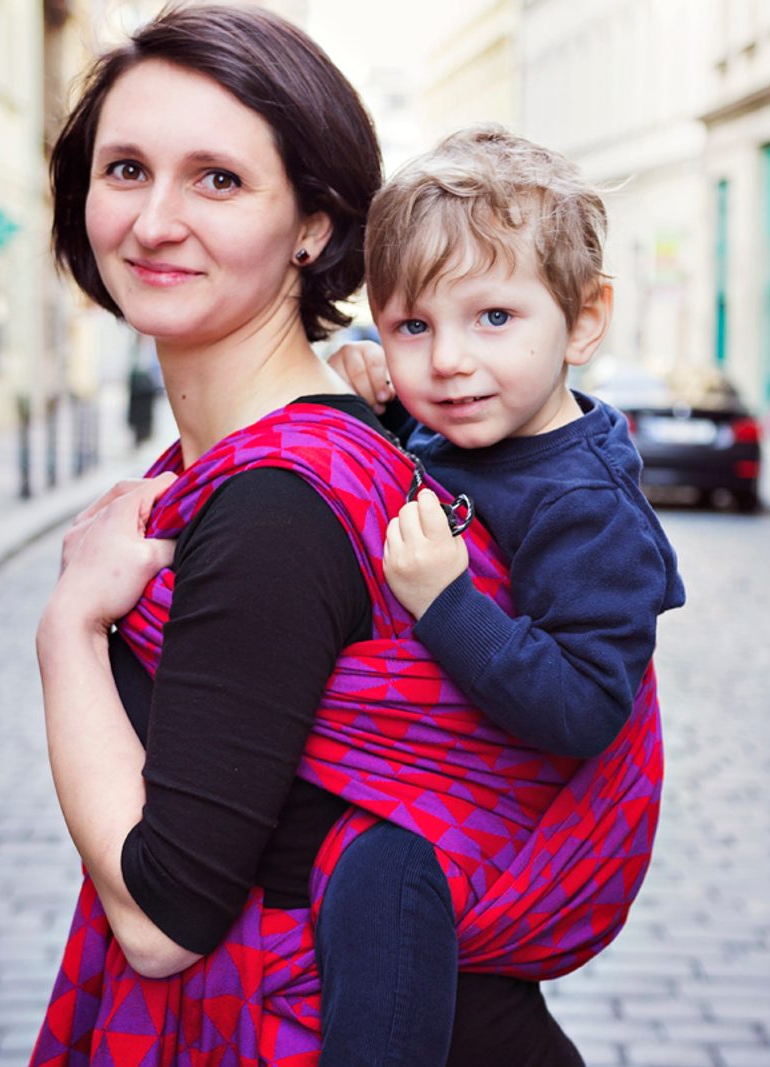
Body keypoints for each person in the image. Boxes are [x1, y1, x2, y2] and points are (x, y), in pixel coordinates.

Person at [28, 9, 661, 1067]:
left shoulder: (276, 505)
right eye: (126, 169)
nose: (155, 220)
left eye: (218, 179)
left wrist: (67, 629)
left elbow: (162, 919)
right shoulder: (358, 433)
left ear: (315, 225)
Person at [322, 125, 685, 1064]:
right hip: (438, 799)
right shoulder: (455, 421)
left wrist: (448, 602)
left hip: (516, 838)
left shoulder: (585, 505)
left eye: (493, 317)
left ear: (585, 321)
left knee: (390, 897)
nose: (447, 359)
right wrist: (369, 394)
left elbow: (585, 706)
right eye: (412, 325)